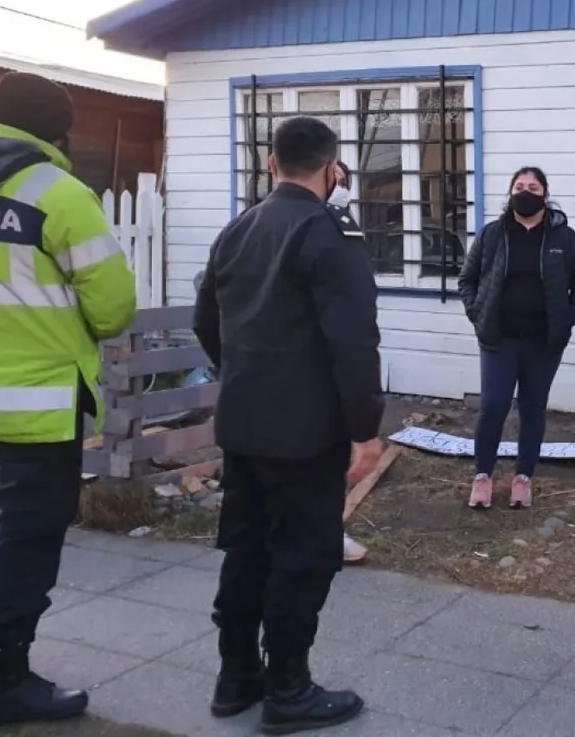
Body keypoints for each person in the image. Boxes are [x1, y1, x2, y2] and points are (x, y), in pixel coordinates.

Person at [0, 72, 138, 727]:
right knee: (24, 538)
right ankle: (6, 681)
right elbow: (115, 309)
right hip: (37, 405)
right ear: (57, 131)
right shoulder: (59, 195)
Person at [194, 116, 382, 734]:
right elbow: (352, 341)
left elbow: (206, 323)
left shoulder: (235, 231)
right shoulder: (330, 233)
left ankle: (236, 676)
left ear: (272, 165)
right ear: (332, 172)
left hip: (244, 423)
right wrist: (365, 428)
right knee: (303, 556)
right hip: (306, 434)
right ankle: (289, 689)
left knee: (246, 549)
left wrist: (244, 373)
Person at [457, 167, 575, 509]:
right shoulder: (492, 234)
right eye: (519, 186)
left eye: (533, 187)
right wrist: (478, 313)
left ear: (545, 194)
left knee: (533, 409)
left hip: (543, 343)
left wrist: (566, 320)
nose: (525, 192)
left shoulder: (564, 237)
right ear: (510, 193)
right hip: (498, 340)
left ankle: (523, 478)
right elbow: (467, 279)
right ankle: (483, 477)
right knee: (493, 407)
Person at [324, 159, 369, 567]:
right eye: (336, 178)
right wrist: (366, 425)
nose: (341, 186)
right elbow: (355, 324)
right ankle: (326, 536)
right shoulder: (336, 230)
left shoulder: (247, 224)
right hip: (315, 381)